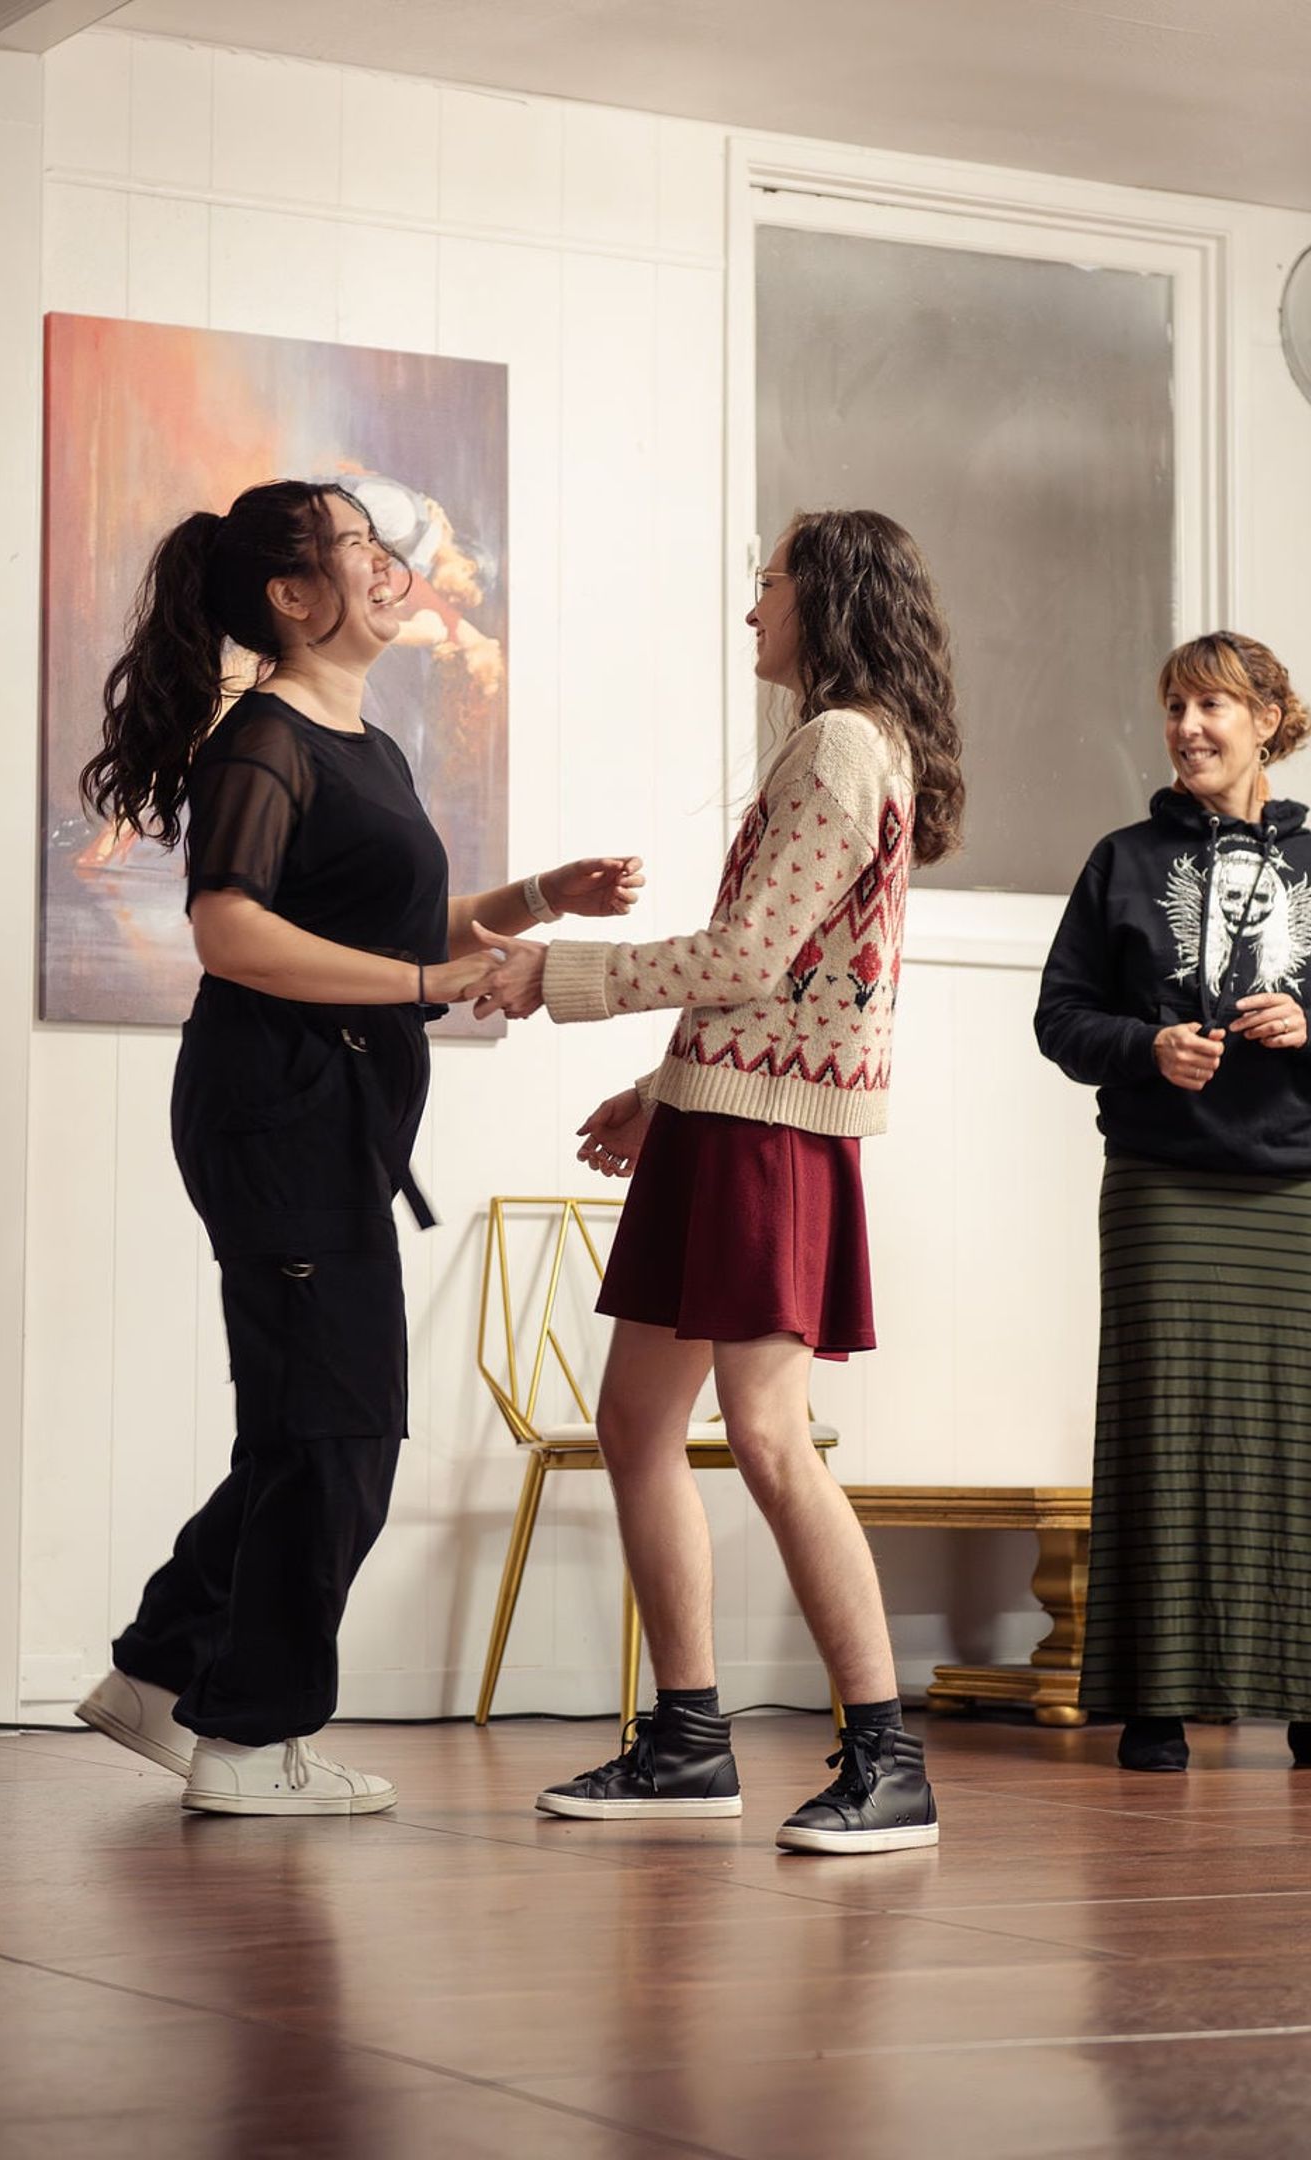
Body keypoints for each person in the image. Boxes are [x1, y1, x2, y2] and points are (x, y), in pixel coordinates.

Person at [74, 480, 643, 1816]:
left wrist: (534, 899)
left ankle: (162, 1679)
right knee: (340, 1434)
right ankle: (250, 1741)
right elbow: (232, 930)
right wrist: (425, 990)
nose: (391, 566)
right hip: (277, 1117)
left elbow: (389, 916)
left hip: (321, 1124)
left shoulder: (357, 747)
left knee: (304, 1429)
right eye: (361, 547)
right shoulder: (262, 740)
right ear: (293, 595)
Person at [469, 509, 964, 1852]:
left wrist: (555, 975)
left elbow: (747, 953)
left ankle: (886, 1760)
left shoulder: (842, 747)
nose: (753, 612)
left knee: (763, 1437)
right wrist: (662, 1092)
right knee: (638, 1424)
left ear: (827, 598)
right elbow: (787, 978)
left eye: (768, 586)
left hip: (768, 1138)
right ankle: (688, 1743)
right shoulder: (836, 745)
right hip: (728, 1116)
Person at [1035, 630, 1311, 1774]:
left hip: (1291, 1187)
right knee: (1162, 1439)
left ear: (1266, 721)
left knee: (1300, 1448)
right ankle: (1154, 1705)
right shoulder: (1121, 860)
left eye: (1212, 706)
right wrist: (1150, 1047)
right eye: (1175, 706)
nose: (1189, 727)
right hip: (1161, 1184)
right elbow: (1062, 1020)